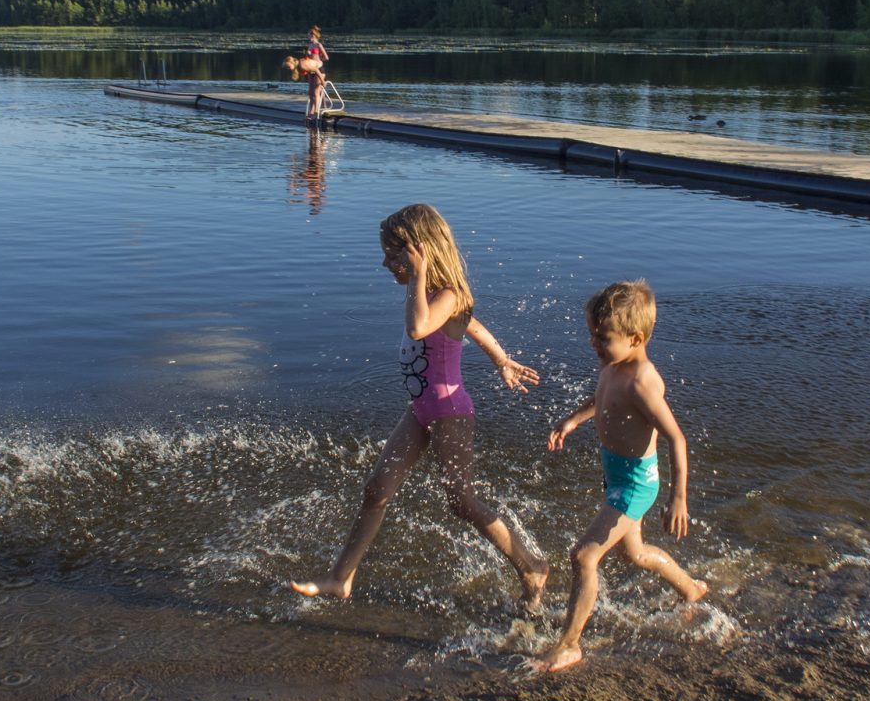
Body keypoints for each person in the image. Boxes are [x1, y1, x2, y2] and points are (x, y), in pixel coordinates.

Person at [291, 203, 550, 609]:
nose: (384, 263)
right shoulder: (437, 297)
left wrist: (419, 274)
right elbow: (472, 325)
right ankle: (341, 578)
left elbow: (418, 327)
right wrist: (501, 358)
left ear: (420, 252)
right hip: (421, 409)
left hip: (450, 412)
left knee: (461, 502)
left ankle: (531, 564)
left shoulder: (445, 293)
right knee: (376, 490)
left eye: (393, 255)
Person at [533, 279, 707, 673]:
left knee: (584, 555)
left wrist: (678, 498)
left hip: (635, 485)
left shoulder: (642, 381)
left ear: (636, 338)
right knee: (637, 554)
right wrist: (574, 420)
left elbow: (676, 439)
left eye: (603, 338)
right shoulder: (613, 364)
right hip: (615, 474)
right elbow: (601, 398)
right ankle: (691, 589)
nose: (595, 345)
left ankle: (569, 644)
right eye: (593, 336)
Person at [281, 54, 328, 122]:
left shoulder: (301, 65)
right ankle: (311, 113)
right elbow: (309, 72)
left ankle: (316, 113)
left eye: (288, 67)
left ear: (292, 63)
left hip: (319, 70)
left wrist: (323, 81)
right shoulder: (297, 67)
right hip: (312, 73)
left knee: (316, 92)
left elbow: (316, 69)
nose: (288, 69)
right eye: (286, 68)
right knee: (311, 93)